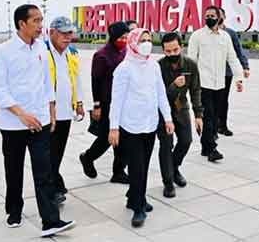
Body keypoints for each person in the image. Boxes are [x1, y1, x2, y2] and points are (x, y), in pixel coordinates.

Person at [0, 4, 75, 237]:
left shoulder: (41, 48)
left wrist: (50, 111)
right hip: (13, 124)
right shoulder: (4, 51)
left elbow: (47, 83)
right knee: (14, 169)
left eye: (41, 20)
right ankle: (14, 210)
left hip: (40, 121)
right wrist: (21, 114)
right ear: (22, 24)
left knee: (44, 171)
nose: (41, 25)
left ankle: (50, 221)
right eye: (36, 21)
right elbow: (0, 89)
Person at [108, 28, 174, 228]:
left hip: (150, 124)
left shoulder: (153, 66)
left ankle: (136, 198)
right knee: (136, 167)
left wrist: (168, 118)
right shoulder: (124, 69)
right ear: (133, 43)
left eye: (148, 39)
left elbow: (161, 93)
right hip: (131, 126)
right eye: (142, 40)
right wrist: (114, 128)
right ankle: (138, 207)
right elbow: (116, 101)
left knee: (144, 165)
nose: (146, 43)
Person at [187, 6, 244, 162]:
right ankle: (212, 149)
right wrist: (190, 82)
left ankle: (206, 147)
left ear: (219, 18)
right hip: (202, 83)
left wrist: (239, 78)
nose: (209, 17)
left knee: (214, 115)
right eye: (207, 15)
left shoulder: (225, 37)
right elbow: (191, 60)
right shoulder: (197, 36)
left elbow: (232, 58)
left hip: (220, 83)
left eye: (212, 15)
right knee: (209, 115)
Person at [80, 21, 130, 183]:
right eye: (122, 37)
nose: (125, 39)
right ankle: (88, 157)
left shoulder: (126, 52)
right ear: (114, 36)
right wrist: (97, 106)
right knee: (106, 138)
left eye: (126, 36)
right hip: (107, 103)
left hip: (123, 102)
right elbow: (95, 82)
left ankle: (118, 172)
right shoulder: (102, 55)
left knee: (122, 138)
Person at [157, 32, 203, 198]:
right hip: (163, 112)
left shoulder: (190, 64)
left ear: (181, 47)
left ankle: (174, 168)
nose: (172, 54)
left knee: (186, 141)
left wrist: (198, 115)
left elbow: (196, 90)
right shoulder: (158, 67)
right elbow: (158, 95)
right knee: (166, 145)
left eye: (175, 50)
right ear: (163, 51)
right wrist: (174, 86)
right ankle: (168, 181)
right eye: (168, 51)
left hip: (181, 109)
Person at [45, 17, 85, 205]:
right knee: (48, 153)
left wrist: (79, 102)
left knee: (58, 152)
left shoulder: (72, 53)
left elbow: (75, 79)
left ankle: (55, 183)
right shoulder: (42, 52)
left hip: (65, 113)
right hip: (47, 114)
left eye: (70, 33)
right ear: (51, 32)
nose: (68, 37)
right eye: (63, 33)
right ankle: (53, 189)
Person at [217, 8, 250, 137]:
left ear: (224, 17)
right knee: (212, 100)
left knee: (223, 99)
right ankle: (213, 127)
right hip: (211, 72)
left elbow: (238, 50)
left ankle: (223, 126)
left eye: (220, 15)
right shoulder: (205, 33)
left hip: (226, 72)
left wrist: (245, 67)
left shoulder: (230, 33)